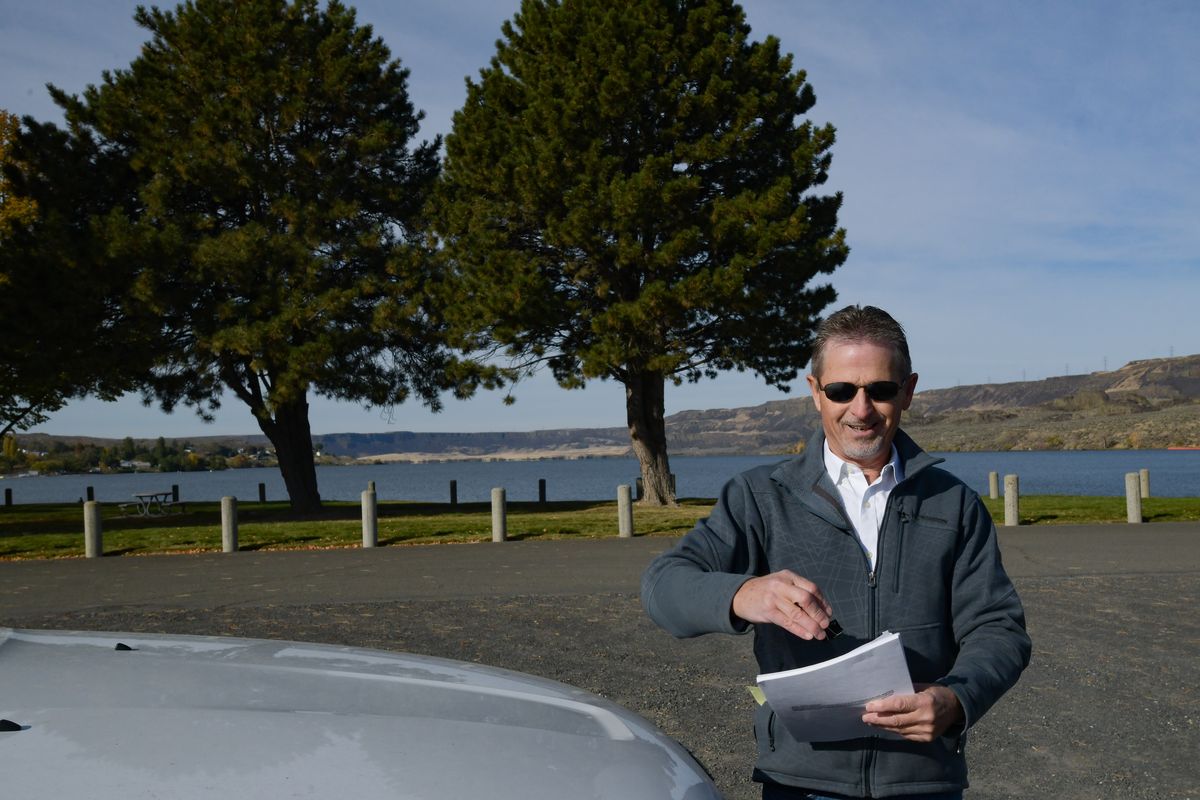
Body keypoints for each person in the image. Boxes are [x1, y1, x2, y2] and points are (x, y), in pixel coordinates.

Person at [641, 304, 1031, 799]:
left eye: (881, 390)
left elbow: (998, 628)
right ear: (815, 393)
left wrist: (957, 698)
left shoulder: (954, 504)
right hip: (802, 783)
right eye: (842, 390)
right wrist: (742, 593)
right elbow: (662, 585)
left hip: (924, 782)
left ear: (907, 392)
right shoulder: (760, 496)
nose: (861, 409)